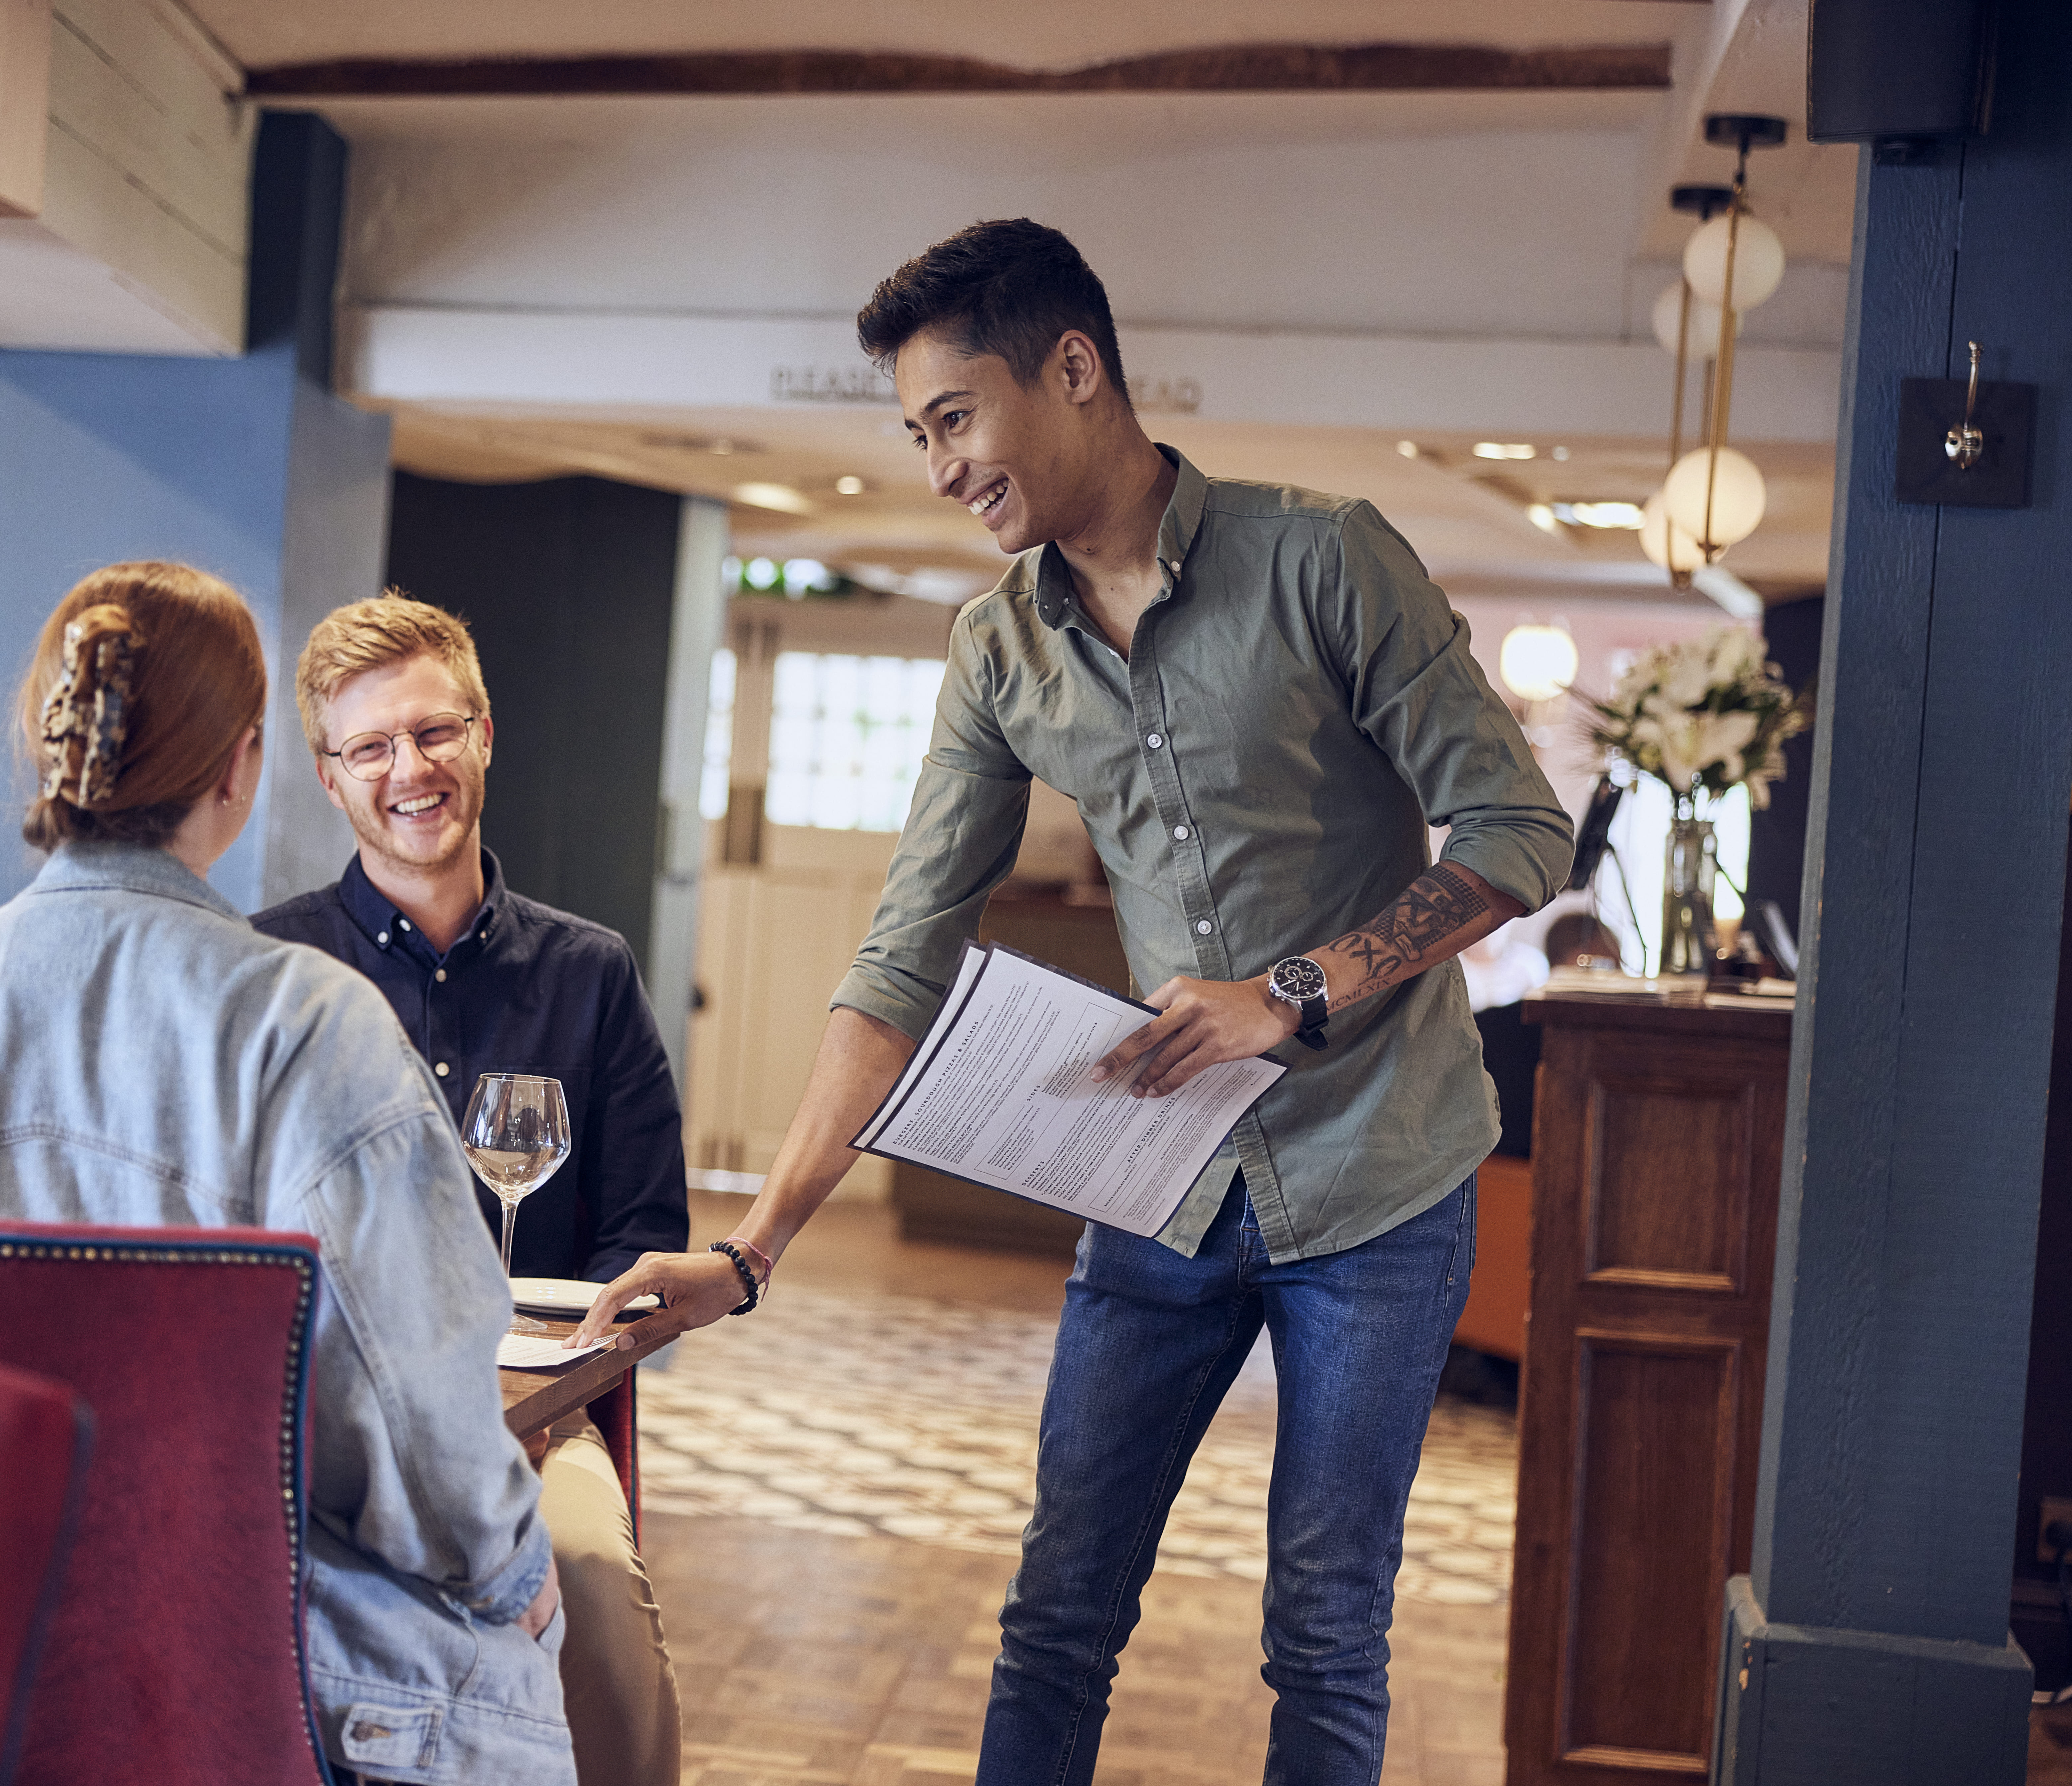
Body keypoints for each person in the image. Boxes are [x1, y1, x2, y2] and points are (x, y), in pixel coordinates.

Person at [577, 221, 1575, 1785]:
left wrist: (1295, 989)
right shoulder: (998, 649)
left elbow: (1521, 826)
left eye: (954, 417)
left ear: (1074, 367)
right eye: (916, 436)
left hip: (1381, 1181)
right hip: (1157, 1186)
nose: (938, 468)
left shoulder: (1323, 556)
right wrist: (754, 1242)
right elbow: (905, 950)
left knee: (1323, 1631)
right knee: (1055, 1614)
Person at [0, 562, 574, 1786]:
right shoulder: (312, 1027)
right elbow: (423, 1436)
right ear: (244, 769)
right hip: (247, 1686)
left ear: (52, 743)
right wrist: (515, 1574)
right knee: (549, 1618)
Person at [251, 592, 686, 1786]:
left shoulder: (591, 976)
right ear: (330, 778)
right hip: (323, 1429)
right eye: (372, 748)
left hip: (536, 1420)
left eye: (434, 734)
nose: (411, 771)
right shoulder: (269, 973)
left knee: (590, 1583)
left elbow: (647, 1236)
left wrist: (539, 1393)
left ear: (485, 736)